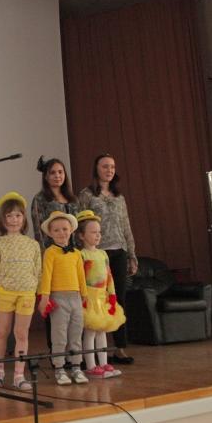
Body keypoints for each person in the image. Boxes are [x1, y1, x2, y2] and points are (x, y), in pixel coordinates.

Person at [77, 153, 137, 365]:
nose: (109, 170)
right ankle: (90, 352)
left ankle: (119, 348)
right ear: (96, 169)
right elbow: (80, 225)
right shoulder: (86, 195)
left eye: (112, 166)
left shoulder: (119, 197)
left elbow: (126, 225)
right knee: (93, 301)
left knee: (117, 299)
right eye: (105, 166)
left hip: (119, 251)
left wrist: (132, 254)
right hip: (95, 254)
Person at [0, 192, 41, 391]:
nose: (14, 220)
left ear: (24, 218)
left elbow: (38, 271)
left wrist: (42, 294)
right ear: (2, 219)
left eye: (18, 215)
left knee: (21, 333)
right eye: (9, 216)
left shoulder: (33, 244)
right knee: (2, 331)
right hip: (5, 292)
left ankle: (19, 375)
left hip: (27, 293)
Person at [30, 156, 79, 355]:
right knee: (55, 307)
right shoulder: (40, 199)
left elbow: (79, 229)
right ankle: (57, 353)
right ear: (45, 176)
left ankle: (75, 353)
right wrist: (45, 257)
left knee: (74, 310)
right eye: (52, 172)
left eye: (60, 172)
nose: (57, 176)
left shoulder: (73, 199)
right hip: (52, 258)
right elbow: (39, 231)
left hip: (73, 258)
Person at [36, 211, 89, 386]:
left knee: (76, 334)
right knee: (59, 335)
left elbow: (81, 275)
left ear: (71, 230)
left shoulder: (76, 253)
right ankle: (59, 368)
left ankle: (76, 367)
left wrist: (84, 295)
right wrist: (44, 297)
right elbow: (46, 276)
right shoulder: (50, 252)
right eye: (56, 230)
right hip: (58, 298)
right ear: (50, 233)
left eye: (65, 229)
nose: (61, 233)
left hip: (76, 298)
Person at [75, 210, 126, 378]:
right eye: (93, 232)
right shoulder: (81, 254)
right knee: (90, 332)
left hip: (102, 298)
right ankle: (91, 365)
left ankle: (103, 363)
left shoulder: (103, 254)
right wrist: (82, 296)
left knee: (102, 331)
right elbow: (80, 278)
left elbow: (109, 275)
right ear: (81, 235)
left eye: (99, 232)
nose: (98, 235)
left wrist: (112, 295)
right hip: (89, 298)